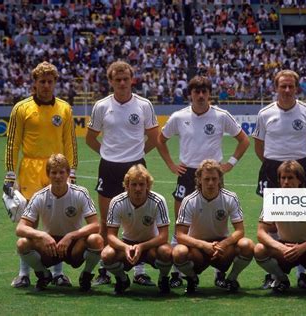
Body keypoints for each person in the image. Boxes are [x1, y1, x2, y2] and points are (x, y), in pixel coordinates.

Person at [157, 75, 249, 287]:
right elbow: (160, 140)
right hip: (187, 172)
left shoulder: (221, 115)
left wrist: (230, 163)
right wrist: (171, 165)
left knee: (218, 221)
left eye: (204, 91)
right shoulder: (179, 117)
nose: (200, 95)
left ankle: (219, 272)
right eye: (196, 91)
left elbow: (244, 140)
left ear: (209, 94)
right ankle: (176, 273)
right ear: (190, 94)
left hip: (212, 175)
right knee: (181, 223)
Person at [4, 61, 78, 288]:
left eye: (50, 81)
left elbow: (70, 142)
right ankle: (24, 272)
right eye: (41, 81)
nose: (46, 85)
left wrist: (71, 171)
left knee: (58, 219)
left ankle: (57, 273)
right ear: (34, 83)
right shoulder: (21, 108)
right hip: (30, 170)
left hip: (57, 169)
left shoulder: (64, 108)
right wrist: (9, 175)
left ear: (55, 83)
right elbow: (12, 144)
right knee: (29, 221)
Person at [86, 61, 159, 286]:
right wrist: (109, 154)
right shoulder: (101, 106)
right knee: (107, 221)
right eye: (117, 80)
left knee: (139, 220)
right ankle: (104, 269)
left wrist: (136, 155)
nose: (122, 83)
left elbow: (154, 137)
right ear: (110, 81)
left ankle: (139, 270)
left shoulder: (144, 105)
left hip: (136, 167)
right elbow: (90, 138)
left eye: (125, 79)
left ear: (131, 79)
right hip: (109, 168)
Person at [252, 70, 306, 289]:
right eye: (283, 86)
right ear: (276, 88)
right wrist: (275, 164)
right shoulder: (265, 113)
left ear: (297, 88)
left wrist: (296, 166)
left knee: (301, 216)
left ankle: (301, 271)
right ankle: (274, 272)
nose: (287, 90)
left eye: (291, 86)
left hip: (299, 166)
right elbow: (259, 146)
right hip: (271, 167)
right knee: (271, 220)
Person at [15, 154, 103, 292]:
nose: (58, 176)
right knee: (22, 243)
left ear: (68, 174)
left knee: (96, 239)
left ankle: (86, 275)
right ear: (48, 174)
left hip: (73, 246)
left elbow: (95, 225)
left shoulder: (80, 193)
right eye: (54, 172)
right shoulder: (39, 196)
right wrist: (42, 236)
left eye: (62, 172)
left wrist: (71, 236)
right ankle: (43, 274)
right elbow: (20, 228)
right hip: (50, 246)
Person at [254, 160, 306, 293]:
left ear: (300, 180)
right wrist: (280, 247)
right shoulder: (272, 199)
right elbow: (261, 232)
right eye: (283, 178)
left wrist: (302, 247)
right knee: (259, 249)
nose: (286, 182)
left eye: (290, 178)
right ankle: (282, 279)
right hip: (285, 249)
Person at [172, 160, 254, 293]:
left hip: (222, 249)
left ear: (220, 179)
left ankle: (231, 278)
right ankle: (192, 278)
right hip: (198, 249)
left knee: (247, 245)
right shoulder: (189, 201)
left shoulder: (230, 198)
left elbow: (240, 231)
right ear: (199, 179)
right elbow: (180, 235)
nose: (210, 183)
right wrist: (204, 245)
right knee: (178, 252)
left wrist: (224, 244)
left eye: (214, 179)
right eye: (206, 179)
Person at [101, 164, 173, 295]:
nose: (138, 188)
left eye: (141, 184)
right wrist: (125, 248)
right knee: (106, 254)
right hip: (128, 243)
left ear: (148, 185)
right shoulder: (117, 202)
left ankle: (163, 278)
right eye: (134, 184)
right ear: (127, 185)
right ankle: (122, 279)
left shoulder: (158, 201)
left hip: (152, 245)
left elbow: (163, 236)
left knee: (167, 251)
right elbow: (110, 236)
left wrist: (142, 246)